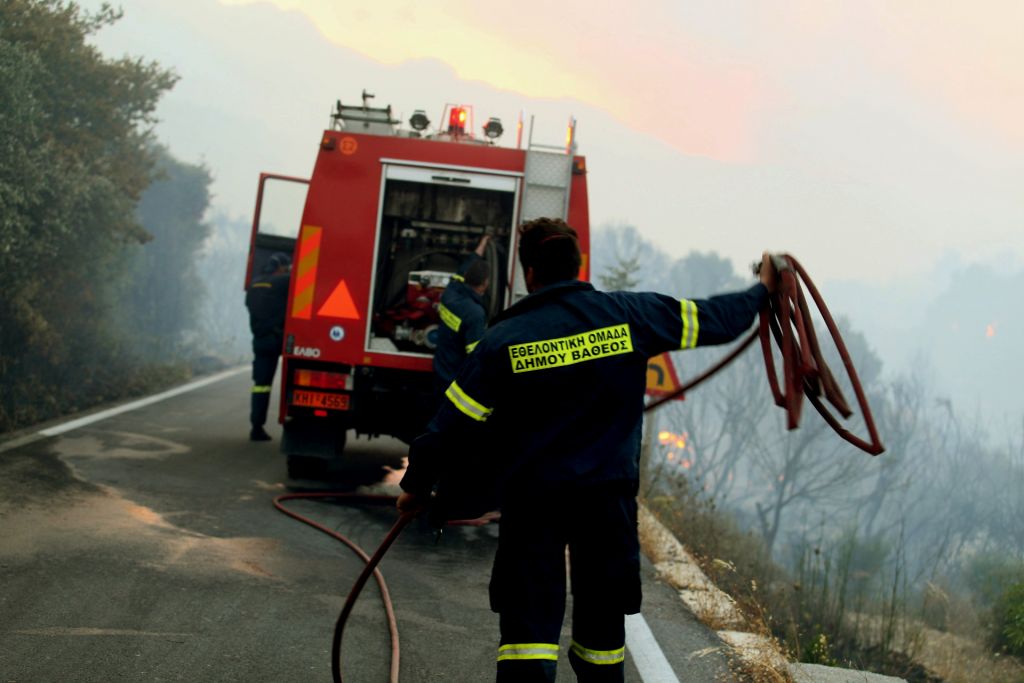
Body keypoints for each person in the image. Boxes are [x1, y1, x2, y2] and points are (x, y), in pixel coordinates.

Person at [398, 217, 778, 682]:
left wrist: (415, 488)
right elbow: (717, 320)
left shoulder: (503, 340)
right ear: (576, 266)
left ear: (529, 273)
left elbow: (448, 428)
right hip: (606, 503)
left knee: (527, 639)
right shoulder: (630, 315)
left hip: (533, 503)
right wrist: (762, 289)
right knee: (602, 637)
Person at [433, 235, 491, 392]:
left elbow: (469, 263)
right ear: (485, 284)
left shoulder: (450, 290)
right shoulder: (475, 314)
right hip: (455, 379)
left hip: (440, 367)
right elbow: (475, 356)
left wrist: (483, 243)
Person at [245, 252, 291, 441]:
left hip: (260, 340)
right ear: (280, 267)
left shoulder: (254, 284)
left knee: (261, 386)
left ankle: (257, 427)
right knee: (294, 382)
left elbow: (249, 305)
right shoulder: (283, 281)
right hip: (281, 339)